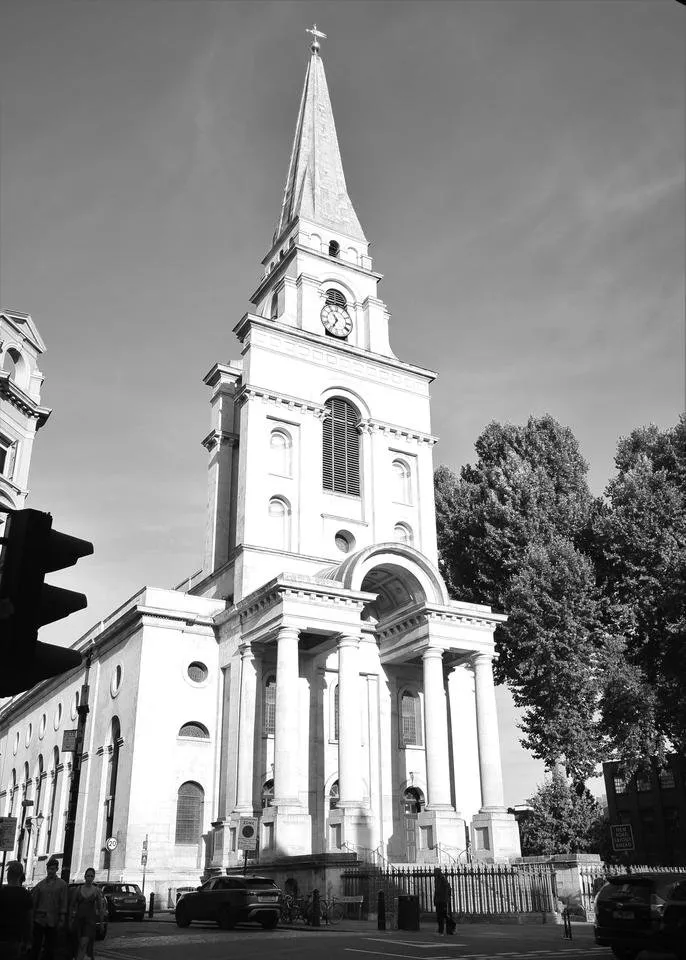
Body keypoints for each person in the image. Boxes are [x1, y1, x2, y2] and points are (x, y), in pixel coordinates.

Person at [31, 856, 67, 960]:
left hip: (53, 919)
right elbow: (34, 902)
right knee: (36, 945)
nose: (51, 871)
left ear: (57, 869)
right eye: (49, 869)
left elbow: (63, 902)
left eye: (53, 869)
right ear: (47, 869)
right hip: (39, 919)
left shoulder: (62, 885)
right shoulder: (40, 885)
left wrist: (62, 918)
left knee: (50, 947)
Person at [70, 868, 105, 960]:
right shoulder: (78, 889)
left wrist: (101, 923)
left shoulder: (96, 891)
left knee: (84, 943)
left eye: (91, 876)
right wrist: (70, 920)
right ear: (85, 876)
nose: (89, 878)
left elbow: (100, 908)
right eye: (88, 876)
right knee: (78, 945)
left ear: (94, 877)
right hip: (78, 920)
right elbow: (72, 905)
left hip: (90, 921)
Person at [0, 860, 33, 959]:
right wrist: (28, 941)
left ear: (8, 875)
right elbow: (29, 921)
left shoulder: (1, 892)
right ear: (20, 876)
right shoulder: (26, 895)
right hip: (15, 940)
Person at [433, 867, 452, 935]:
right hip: (438, 900)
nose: (434, 873)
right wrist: (435, 899)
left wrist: (446, 898)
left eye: (435, 872)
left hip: (442, 900)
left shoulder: (442, 879)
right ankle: (441, 930)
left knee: (443, 915)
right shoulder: (436, 879)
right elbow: (436, 891)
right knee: (440, 916)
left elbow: (448, 888)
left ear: (438, 872)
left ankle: (446, 929)